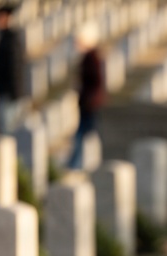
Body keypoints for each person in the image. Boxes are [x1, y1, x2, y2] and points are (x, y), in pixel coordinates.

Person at [66, 23, 106, 170]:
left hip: (90, 104)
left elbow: (97, 82)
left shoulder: (92, 58)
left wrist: (90, 99)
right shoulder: (89, 56)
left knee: (83, 134)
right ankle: (76, 162)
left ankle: (75, 163)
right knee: (84, 134)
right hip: (88, 103)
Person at [0, 3, 25, 135]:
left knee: (8, 132)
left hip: (9, 94)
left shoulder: (11, 39)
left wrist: (14, 94)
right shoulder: (4, 37)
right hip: (5, 93)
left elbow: (15, 67)